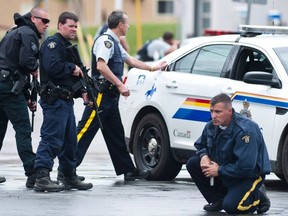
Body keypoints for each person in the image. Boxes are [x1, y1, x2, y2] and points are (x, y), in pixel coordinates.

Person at [74, 10, 167, 181]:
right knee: (85, 130)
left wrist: (153, 67)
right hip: (101, 94)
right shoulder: (106, 42)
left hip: (110, 96)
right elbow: (101, 66)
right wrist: (120, 84)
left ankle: (128, 170)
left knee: (116, 134)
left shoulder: (115, 43)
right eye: (127, 23)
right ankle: (67, 168)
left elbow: (131, 60)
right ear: (120, 25)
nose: (129, 25)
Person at [33, 12, 93, 192]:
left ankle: (68, 176)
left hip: (65, 100)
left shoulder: (65, 46)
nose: (74, 29)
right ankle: (42, 177)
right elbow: (53, 68)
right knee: (52, 138)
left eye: (76, 26)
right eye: (70, 26)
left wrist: (82, 91)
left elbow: (68, 79)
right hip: (55, 100)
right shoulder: (53, 44)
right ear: (60, 26)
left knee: (70, 141)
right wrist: (72, 67)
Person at [186, 93, 271, 214]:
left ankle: (258, 196)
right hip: (226, 170)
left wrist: (219, 170)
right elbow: (201, 144)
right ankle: (218, 199)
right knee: (193, 163)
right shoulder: (211, 125)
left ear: (229, 111)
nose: (213, 116)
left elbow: (246, 167)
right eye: (211, 111)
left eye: (218, 112)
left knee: (232, 207)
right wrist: (203, 156)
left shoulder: (245, 130)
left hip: (249, 175)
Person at [0, 6, 49, 188]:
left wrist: (27, 95)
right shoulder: (28, 34)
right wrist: (35, 68)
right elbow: (25, 63)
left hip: (6, 83)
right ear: (34, 19)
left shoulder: (15, 32)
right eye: (44, 21)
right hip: (8, 87)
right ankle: (32, 173)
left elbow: (15, 67)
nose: (46, 25)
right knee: (23, 128)